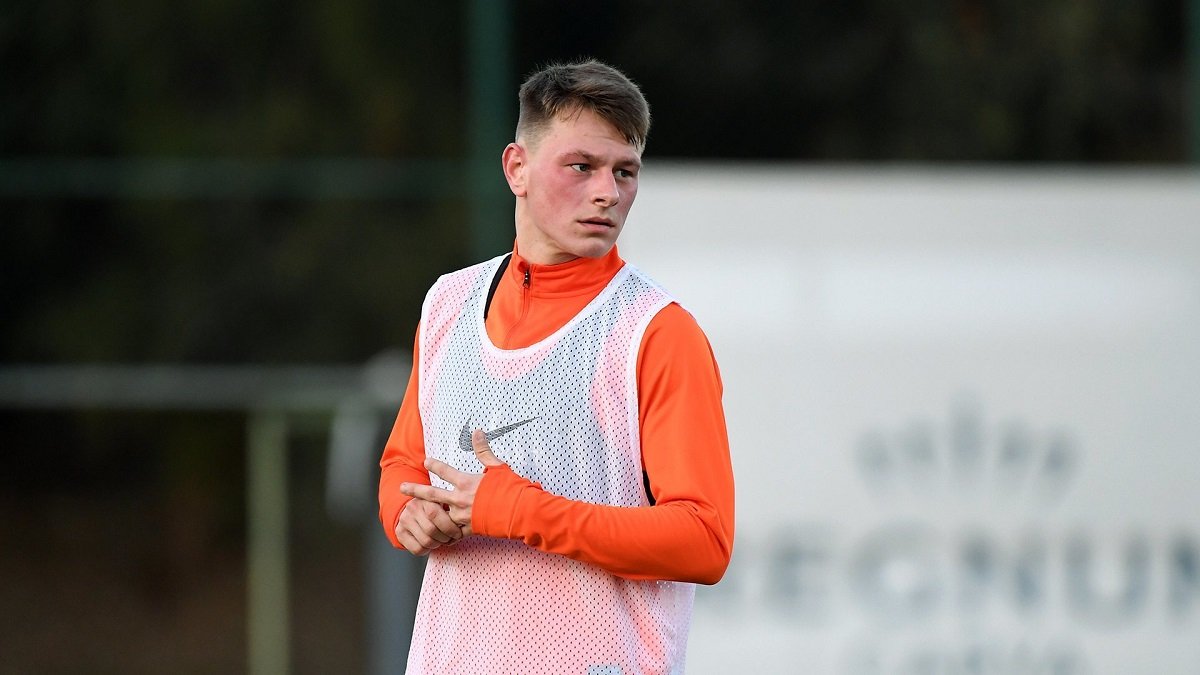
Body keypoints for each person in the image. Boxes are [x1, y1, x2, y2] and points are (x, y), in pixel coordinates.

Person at [378, 59, 734, 675]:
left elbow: (705, 539)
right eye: (581, 167)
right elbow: (403, 466)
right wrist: (409, 516)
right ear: (516, 168)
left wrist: (521, 511)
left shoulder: (658, 332)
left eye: (625, 171)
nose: (608, 193)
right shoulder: (448, 302)